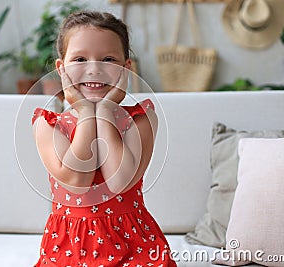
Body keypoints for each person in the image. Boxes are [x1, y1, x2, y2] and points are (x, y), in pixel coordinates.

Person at [32, 10, 176, 267]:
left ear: (125, 68)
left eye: (108, 59)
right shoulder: (48, 125)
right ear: (61, 68)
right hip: (69, 246)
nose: (94, 69)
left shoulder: (141, 119)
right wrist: (87, 112)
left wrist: (106, 112)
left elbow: (119, 181)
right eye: (79, 59)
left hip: (133, 243)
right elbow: (78, 181)